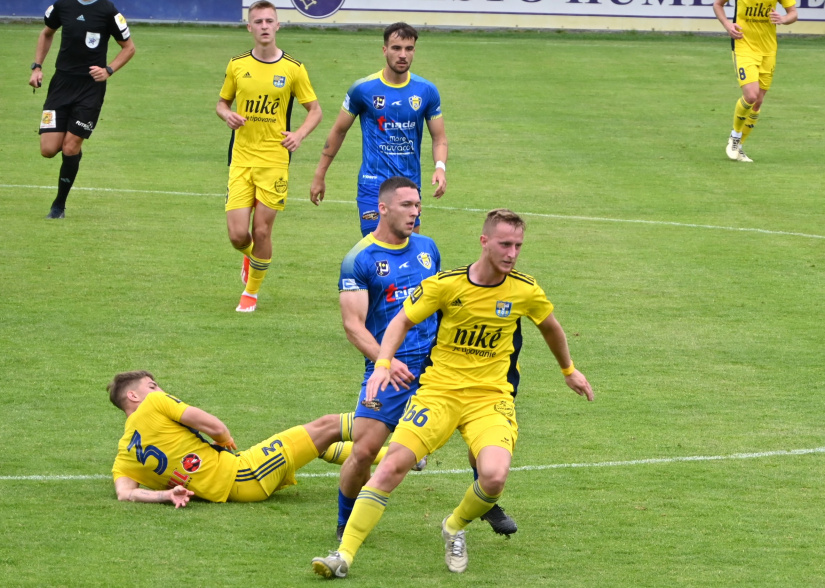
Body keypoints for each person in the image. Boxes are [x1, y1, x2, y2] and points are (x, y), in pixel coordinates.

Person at [312, 209, 594, 579]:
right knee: (391, 467)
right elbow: (401, 321)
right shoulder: (446, 285)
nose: (512, 253)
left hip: (489, 398)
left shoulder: (525, 290)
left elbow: (551, 327)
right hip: (438, 394)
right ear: (484, 241)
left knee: (493, 476)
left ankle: (454, 526)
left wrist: (568, 370)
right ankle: (342, 555)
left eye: (518, 246)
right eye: (505, 244)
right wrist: (382, 363)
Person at [334, 176, 517, 543]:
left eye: (417, 205)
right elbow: (353, 326)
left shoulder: (427, 248)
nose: (415, 212)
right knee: (365, 450)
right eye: (407, 205)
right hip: (389, 368)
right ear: (382, 208)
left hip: (439, 366)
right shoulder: (359, 259)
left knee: (481, 428)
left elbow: (445, 302)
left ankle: (486, 499)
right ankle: (345, 522)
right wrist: (384, 362)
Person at [109, 370, 374, 505]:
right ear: (133, 396)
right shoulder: (154, 402)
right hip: (246, 472)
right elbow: (214, 426)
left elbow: (125, 494)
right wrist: (224, 441)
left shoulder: (124, 456)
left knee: (319, 444)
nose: (160, 389)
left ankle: (406, 460)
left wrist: (166, 496)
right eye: (152, 385)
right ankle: (393, 418)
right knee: (327, 426)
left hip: (237, 490)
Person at [217, 0, 322, 312]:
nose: (264, 26)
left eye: (269, 21)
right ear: (250, 28)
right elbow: (222, 103)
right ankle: (253, 257)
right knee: (239, 235)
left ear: (278, 26)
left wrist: (299, 134)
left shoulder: (293, 69)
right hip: (241, 159)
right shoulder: (237, 65)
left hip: (275, 161)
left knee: (262, 230)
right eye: (258, 21)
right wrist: (227, 116)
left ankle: (250, 293)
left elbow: (315, 110)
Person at [309, 22, 448, 237]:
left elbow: (439, 138)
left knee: (408, 251)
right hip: (373, 185)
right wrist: (320, 175)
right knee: (377, 251)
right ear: (385, 50)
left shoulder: (426, 91)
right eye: (396, 48)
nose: (403, 55)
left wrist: (440, 167)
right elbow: (338, 131)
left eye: (408, 49)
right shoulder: (363, 89)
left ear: (414, 51)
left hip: (409, 186)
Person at [29, 0, 135, 219]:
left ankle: (59, 206)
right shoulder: (62, 5)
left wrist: (109, 70)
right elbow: (46, 33)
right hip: (60, 86)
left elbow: (129, 47)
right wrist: (37, 67)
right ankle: (73, 149)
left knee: (69, 147)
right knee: (48, 150)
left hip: (90, 89)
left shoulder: (108, 11)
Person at [713, 0, 797, 163]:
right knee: (751, 96)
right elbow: (718, 4)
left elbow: (793, 13)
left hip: (768, 50)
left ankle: (739, 147)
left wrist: (783, 19)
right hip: (743, 46)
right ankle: (735, 136)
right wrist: (727, 25)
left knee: (758, 102)